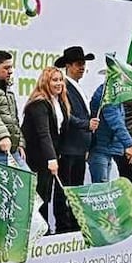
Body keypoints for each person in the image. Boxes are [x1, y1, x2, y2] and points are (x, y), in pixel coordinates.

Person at [54, 46, 98, 233]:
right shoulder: (62, 85)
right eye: (79, 64)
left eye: (84, 64)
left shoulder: (77, 87)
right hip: (67, 146)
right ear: (68, 66)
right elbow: (66, 116)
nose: (82, 68)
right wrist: (85, 124)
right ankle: (63, 225)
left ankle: (74, 222)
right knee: (65, 188)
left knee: (76, 188)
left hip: (80, 147)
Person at [22, 66, 70, 231]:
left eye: (60, 79)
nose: (59, 83)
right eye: (54, 80)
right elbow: (44, 134)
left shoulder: (58, 101)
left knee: (47, 194)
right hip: (38, 157)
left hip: (51, 155)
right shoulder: (39, 104)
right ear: (45, 82)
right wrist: (51, 159)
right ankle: (40, 230)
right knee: (40, 195)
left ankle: (45, 228)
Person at [88, 79, 132, 185]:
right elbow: (115, 121)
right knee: (101, 189)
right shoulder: (107, 93)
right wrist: (128, 144)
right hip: (100, 148)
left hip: (107, 147)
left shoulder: (115, 94)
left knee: (104, 188)